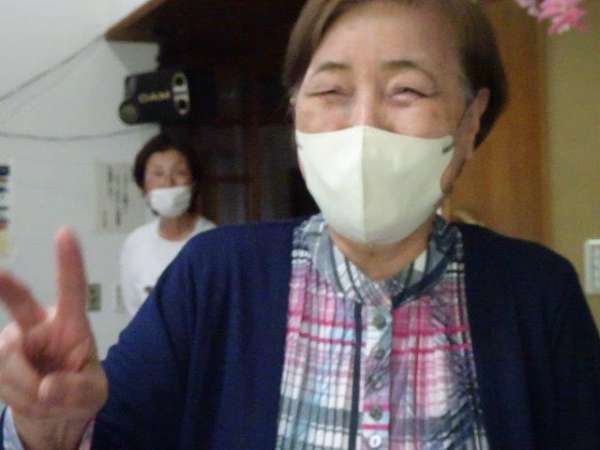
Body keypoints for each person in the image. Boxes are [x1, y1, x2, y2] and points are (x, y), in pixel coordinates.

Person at [0, 0, 599, 449]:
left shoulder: (538, 294)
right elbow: (103, 432)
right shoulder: (213, 277)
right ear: (295, 116)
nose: (363, 125)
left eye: (407, 90)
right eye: (331, 89)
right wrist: (47, 427)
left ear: (470, 122)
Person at [120, 133, 216, 316]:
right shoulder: (135, 243)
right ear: (143, 185)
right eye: (158, 174)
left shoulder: (213, 240)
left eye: (179, 172)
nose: (168, 183)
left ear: (194, 182)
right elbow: (134, 311)